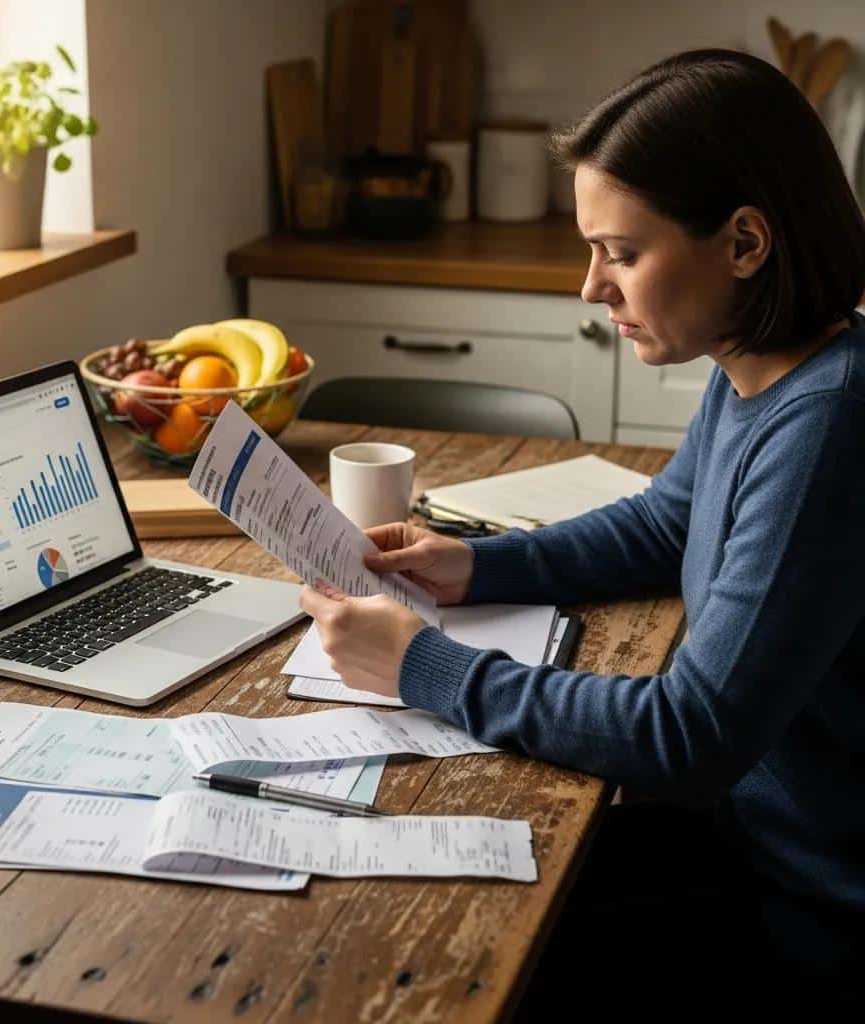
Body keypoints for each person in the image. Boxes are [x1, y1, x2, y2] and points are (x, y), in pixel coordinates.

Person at [299, 50, 865, 1010]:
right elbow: (665, 521)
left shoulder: (828, 426)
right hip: (744, 840)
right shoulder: (766, 369)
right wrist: (475, 567)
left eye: (622, 252)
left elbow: (690, 734)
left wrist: (420, 669)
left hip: (800, 904)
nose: (591, 289)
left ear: (745, 243)